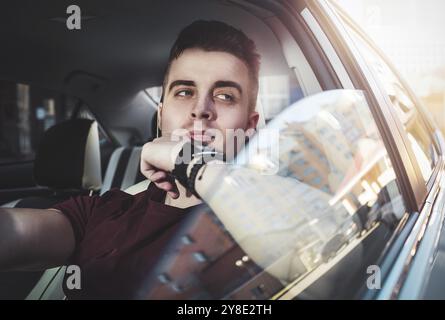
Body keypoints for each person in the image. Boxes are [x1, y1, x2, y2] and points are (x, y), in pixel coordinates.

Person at [0, 20, 261, 299]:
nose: (200, 109)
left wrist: (185, 159)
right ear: (160, 116)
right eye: (185, 92)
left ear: (249, 127)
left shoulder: (259, 223)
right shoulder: (106, 210)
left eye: (224, 96)